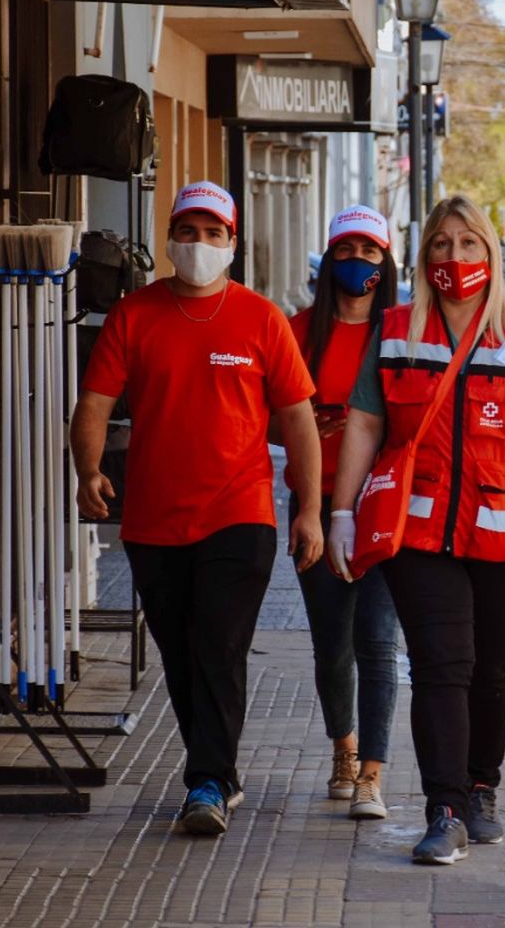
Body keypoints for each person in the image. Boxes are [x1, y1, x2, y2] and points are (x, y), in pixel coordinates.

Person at [328, 195, 505, 866]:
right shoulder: (394, 331)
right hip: (418, 538)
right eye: (441, 246)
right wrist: (341, 511)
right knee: (441, 667)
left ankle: (481, 787)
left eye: (468, 244)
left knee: (491, 672)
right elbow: (363, 421)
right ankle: (443, 810)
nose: (454, 257)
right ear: (424, 259)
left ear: (490, 254)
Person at [71, 180, 324, 837]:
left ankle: (206, 781)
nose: (200, 244)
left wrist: (310, 509)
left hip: (240, 514)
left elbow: (298, 418)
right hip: (154, 521)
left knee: (217, 642)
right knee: (181, 654)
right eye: (189, 231)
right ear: (170, 241)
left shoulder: (261, 319)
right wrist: (88, 471)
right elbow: (95, 402)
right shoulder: (135, 315)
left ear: (232, 244)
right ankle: (218, 773)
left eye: (214, 233)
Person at [288, 205, 401, 821]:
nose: (358, 260)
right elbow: (276, 414)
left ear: (385, 263)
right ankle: (344, 750)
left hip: (384, 508)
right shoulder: (299, 330)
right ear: (329, 258)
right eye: (346, 249)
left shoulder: (402, 333)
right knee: (333, 646)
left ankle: (373, 776)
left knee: (378, 644)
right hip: (314, 505)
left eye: (370, 250)